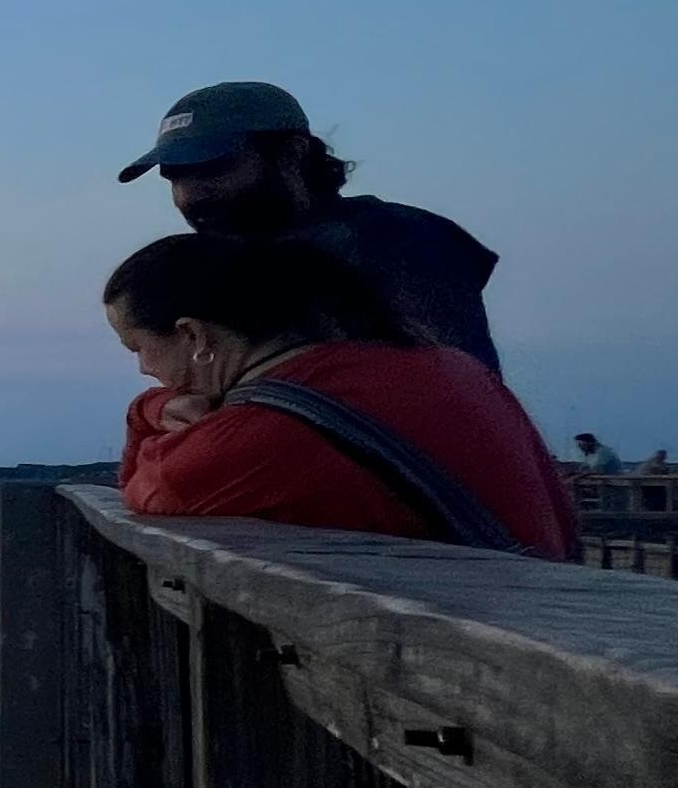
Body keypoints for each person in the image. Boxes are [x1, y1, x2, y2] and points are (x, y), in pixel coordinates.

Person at [104, 234, 575, 555]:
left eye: (140, 348)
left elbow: (147, 486)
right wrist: (157, 405)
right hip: (545, 615)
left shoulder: (258, 437)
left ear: (193, 335)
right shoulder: (451, 367)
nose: (145, 369)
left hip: (468, 666)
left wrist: (141, 414)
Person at [117, 80, 501, 372]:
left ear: (292, 156)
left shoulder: (397, 241)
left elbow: (458, 392)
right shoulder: (225, 273)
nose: (190, 196)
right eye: (175, 178)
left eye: (213, 169)